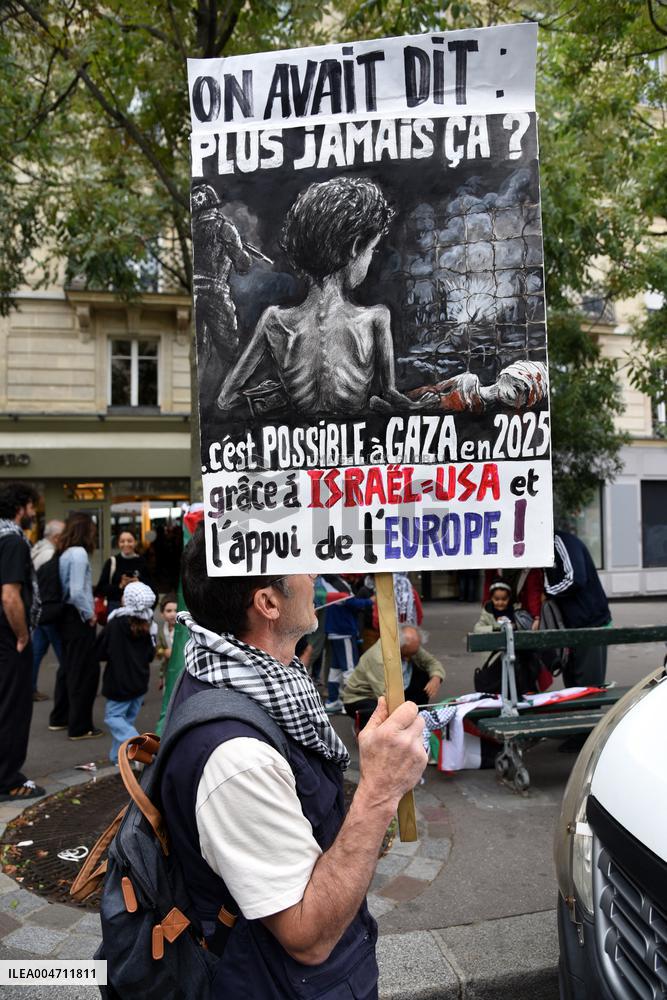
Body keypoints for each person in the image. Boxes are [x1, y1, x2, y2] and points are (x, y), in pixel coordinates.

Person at [159, 524, 426, 996]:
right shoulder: (237, 758)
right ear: (268, 603)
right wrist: (380, 789)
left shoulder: (247, 676)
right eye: (301, 563)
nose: (314, 571)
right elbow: (307, 936)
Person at [217, 176, 421, 418]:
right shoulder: (376, 318)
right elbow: (390, 394)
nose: (371, 257)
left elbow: (226, 399)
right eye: (372, 249)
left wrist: (275, 397)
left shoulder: (275, 321)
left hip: (298, 451)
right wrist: (418, 405)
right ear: (356, 247)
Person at [0, 482, 45, 802]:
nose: (33, 514)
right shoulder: (13, 541)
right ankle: (8, 781)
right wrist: (22, 634)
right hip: (8, 640)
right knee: (13, 710)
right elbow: (10, 595)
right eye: (32, 507)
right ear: (21, 506)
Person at [49, 513, 103, 740]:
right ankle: (80, 727)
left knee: (68, 668)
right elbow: (77, 591)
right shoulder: (79, 554)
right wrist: (89, 614)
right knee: (84, 673)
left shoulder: (63, 553)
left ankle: (60, 717)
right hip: (78, 619)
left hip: (65, 618)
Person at [191, 183, 252, 369]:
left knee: (197, 349)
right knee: (231, 351)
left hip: (192, 293)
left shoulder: (191, 231)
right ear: (214, 205)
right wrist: (239, 247)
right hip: (215, 293)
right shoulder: (225, 228)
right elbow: (243, 266)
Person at [96, 582, 156, 765]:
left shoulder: (115, 623)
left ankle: (140, 744)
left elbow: (100, 651)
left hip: (118, 683)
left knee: (114, 718)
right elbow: (150, 655)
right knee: (125, 722)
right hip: (139, 682)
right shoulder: (147, 624)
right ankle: (118, 759)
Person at [343, 625, 446, 730]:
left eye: (413, 654)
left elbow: (432, 663)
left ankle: (418, 716)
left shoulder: (411, 647)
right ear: (398, 646)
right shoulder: (378, 658)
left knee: (424, 675)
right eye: (406, 654)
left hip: (397, 687)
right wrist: (404, 714)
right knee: (381, 713)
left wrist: (436, 678)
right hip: (362, 697)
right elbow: (385, 695)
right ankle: (361, 725)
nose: (409, 658)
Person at [545, 530, 611, 688]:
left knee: (588, 688)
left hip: (590, 624)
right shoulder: (546, 549)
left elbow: (575, 578)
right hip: (571, 626)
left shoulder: (561, 541)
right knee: (573, 687)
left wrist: (547, 592)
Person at [323, 576, 373, 714]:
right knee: (349, 670)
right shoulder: (338, 584)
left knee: (336, 670)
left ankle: (333, 701)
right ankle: (350, 703)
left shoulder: (330, 581)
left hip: (334, 630)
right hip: (343, 630)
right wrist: (371, 601)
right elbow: (353, 603)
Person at [30, 518, 65, 701]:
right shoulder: (50, 554)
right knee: (63, 653)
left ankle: (30, 688)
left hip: (39, 610)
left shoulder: (38, 548)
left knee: (37, 651)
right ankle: (69, 685)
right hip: (49, 609)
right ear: (57, 536)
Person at [95, 528, 155, 614]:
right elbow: (100, 589)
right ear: (118, 543)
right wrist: (120, 585)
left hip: (138, 607)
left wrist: (138, 581)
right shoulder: (112, 561)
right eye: (122, 541)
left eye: (129, 541)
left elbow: (151, 586)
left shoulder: (141, 561)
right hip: (115, 607)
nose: (126, 544)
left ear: (135, 542)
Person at [156, 592, 178, 689]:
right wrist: (164, 652)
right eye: (169, 611)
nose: (173, 614)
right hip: (168, 670)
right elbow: (158, 649)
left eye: (176, 610)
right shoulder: (161, 632)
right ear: (162, 614)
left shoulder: (184, 631)